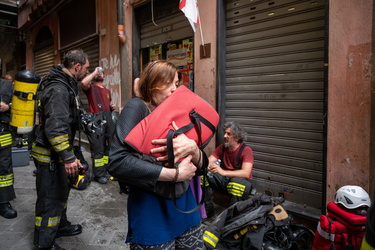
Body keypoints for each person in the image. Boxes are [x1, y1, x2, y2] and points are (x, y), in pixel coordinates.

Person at [108, 60, 205, 249]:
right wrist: (175, 175)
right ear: (151, 84)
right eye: (167, 83)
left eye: (176, 84)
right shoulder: (137, 107)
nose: (173, 90)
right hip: (152, 214)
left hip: (186, 208)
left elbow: (202, 167)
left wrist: (194, 149)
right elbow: (117, 162)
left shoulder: (179, 114)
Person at [31, 49, 89, 250]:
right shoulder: (58, 89)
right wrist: (68, 157)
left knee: (60, 193)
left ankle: (61, 226)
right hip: (50, 156)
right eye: (86, 68)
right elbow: (55, 128)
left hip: (57, 154)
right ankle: (44, 243)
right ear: (77, 67)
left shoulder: (64, 84)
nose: (86, 72)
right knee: (50, 199)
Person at [205, 121, 254, 216]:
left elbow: (246, 173)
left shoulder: (246, 150)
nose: (224, 136)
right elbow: (208, 161)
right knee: (202, 176)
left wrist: (222, 172)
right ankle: (208, 210)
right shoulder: (221, 148)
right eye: (225, 133)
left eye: (228, 134)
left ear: (237, 137)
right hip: (224, 181)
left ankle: (232, 216)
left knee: (236, 183)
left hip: (239, 183)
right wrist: (208, 166)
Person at [81, 67, 116, 184]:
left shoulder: (107, 91)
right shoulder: (91, 88)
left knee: (108, 147)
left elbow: (109, 103)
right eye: (98, 73)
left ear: (104, 77)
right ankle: (98, 174)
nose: (100, 74)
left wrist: (112, 107)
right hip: (96, 121)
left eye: (102, 73)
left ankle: (105, 170)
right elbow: (83, 82)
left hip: (107, 119)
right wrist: (94, 72)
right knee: (98, 149)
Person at [0, 77, 17, 219]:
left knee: (5, 170)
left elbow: (19, 104)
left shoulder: (7, 85)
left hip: (2, 135)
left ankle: (4, 202)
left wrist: (8, 107)